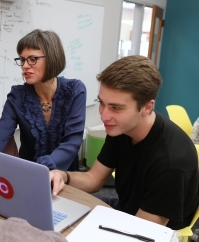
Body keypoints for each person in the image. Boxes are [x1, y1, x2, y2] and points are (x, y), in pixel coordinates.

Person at [50, 55, 199, 230]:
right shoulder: (122, 128)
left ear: (147, 107)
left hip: (155, 231)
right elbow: (93, 178)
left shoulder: (171, 161)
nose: (104, 116)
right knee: (52, 207)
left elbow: (142, 232)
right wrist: (62, 176)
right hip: (126, 210)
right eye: (102, 103)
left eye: (116, 107)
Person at [0, 29, 87, 171]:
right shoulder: (17, 95)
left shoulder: (75, 90)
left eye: (33, 59)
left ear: (52, 58)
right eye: (22, 60)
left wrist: (41, 167)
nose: (25, 66)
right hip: (28, 175)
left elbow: (72, 142)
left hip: (65, 176)